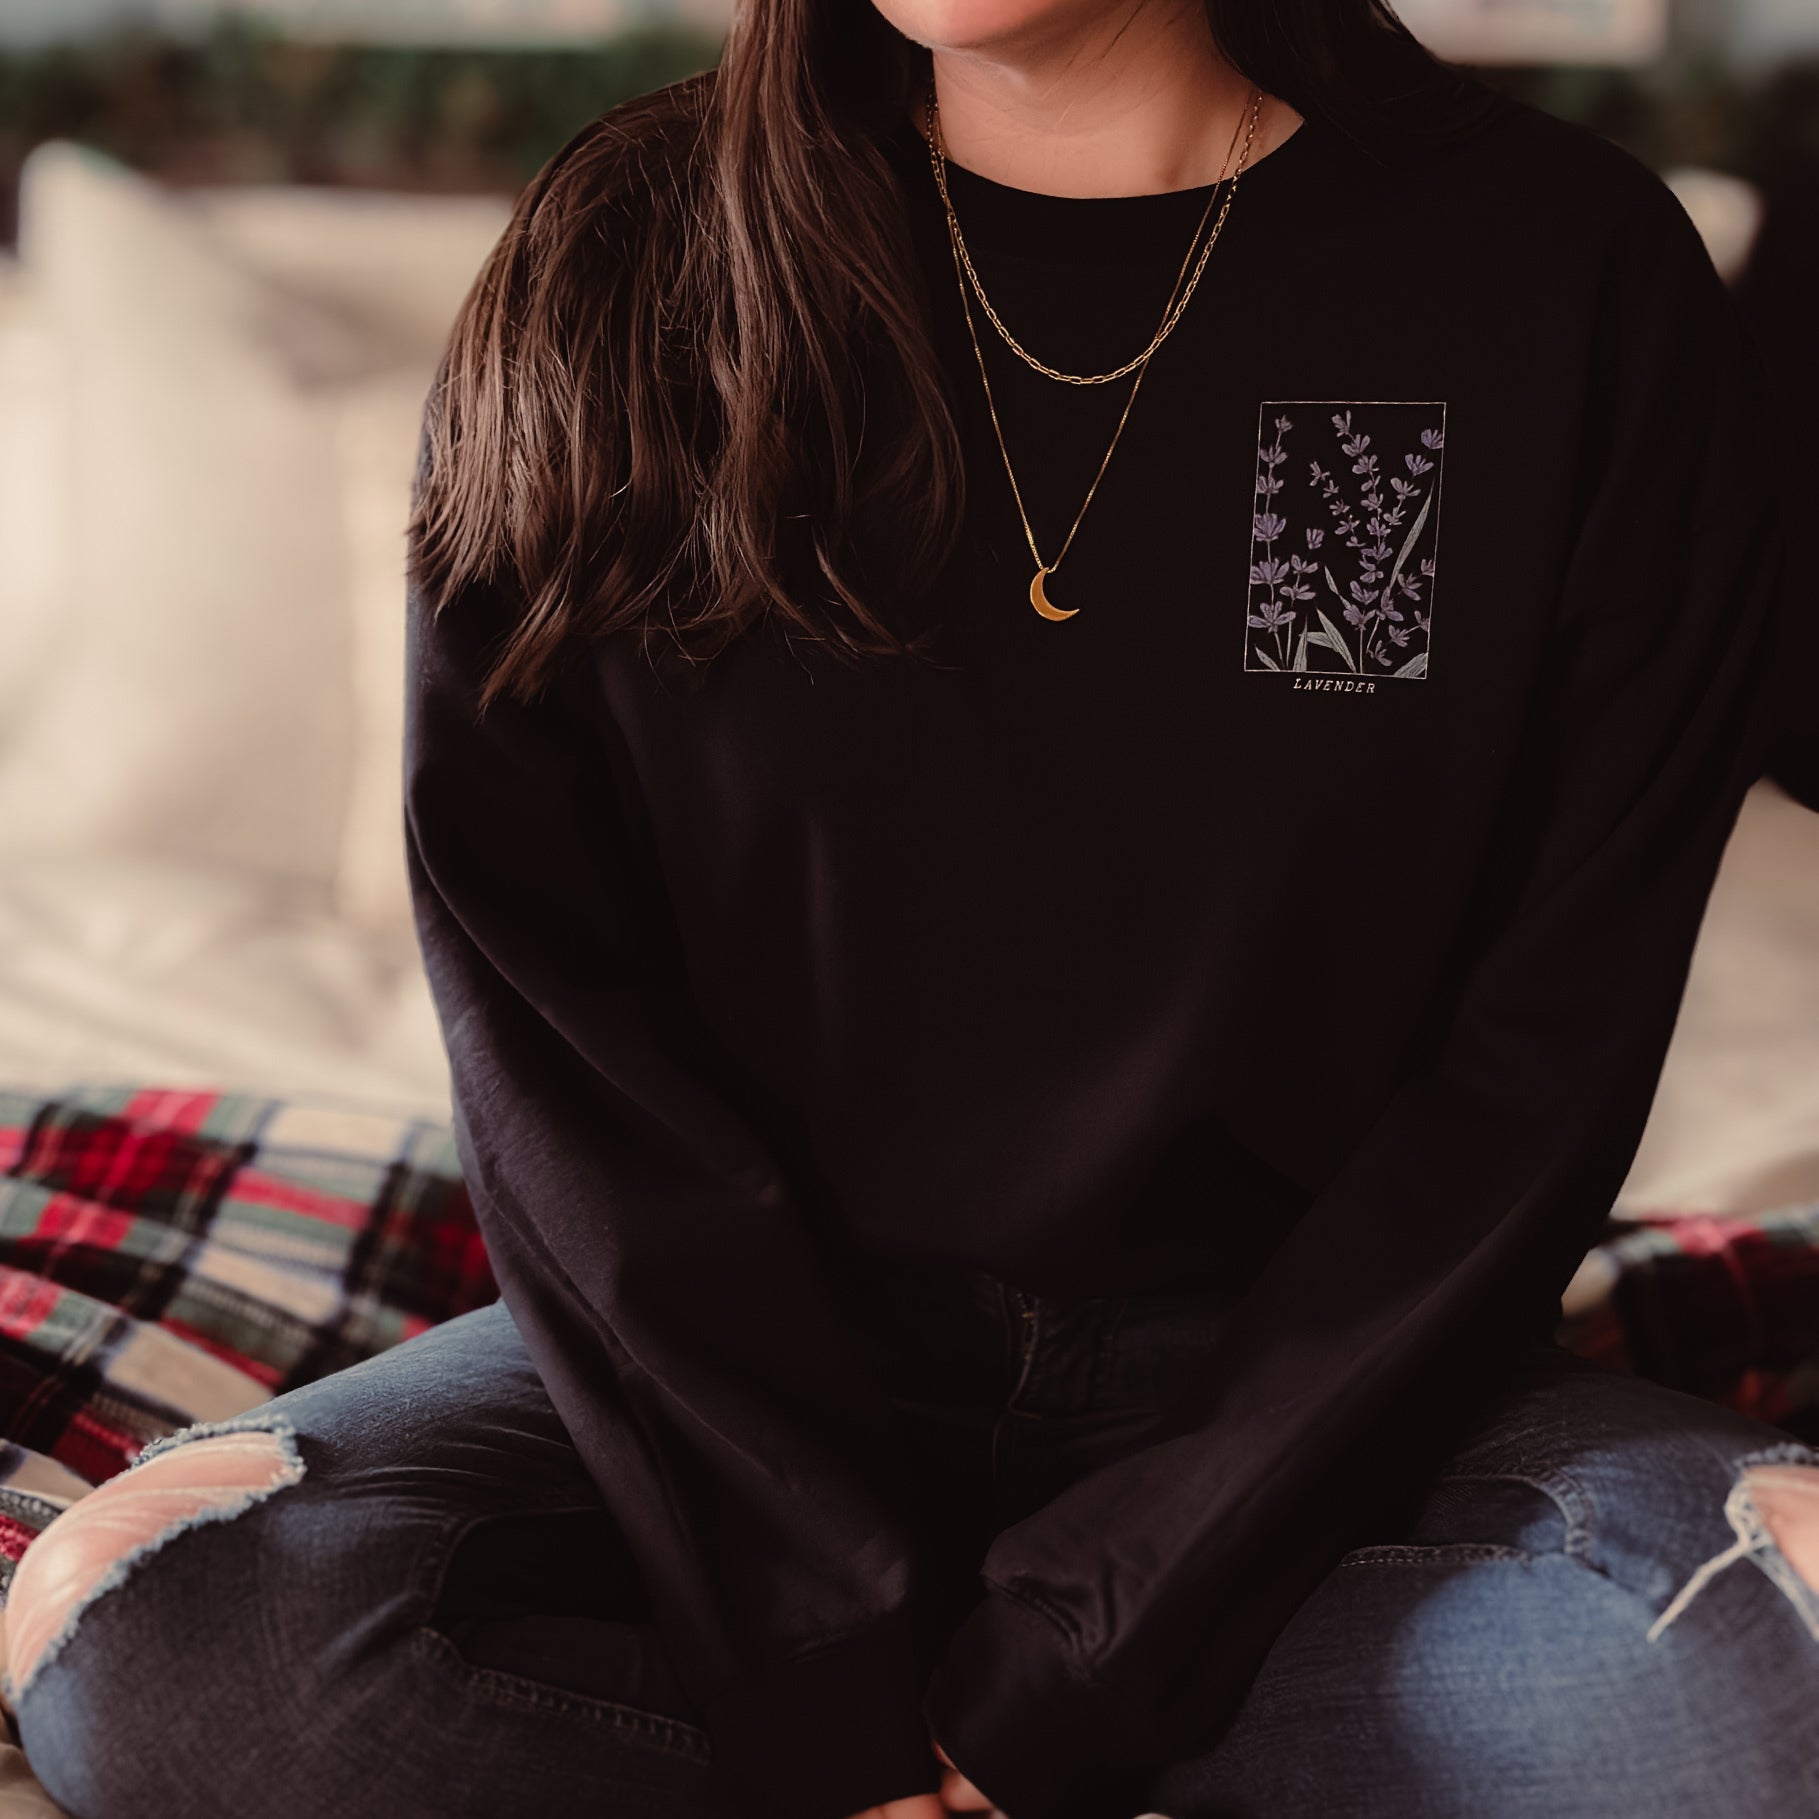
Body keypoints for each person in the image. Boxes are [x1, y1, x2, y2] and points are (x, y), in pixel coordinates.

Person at [6, 4, 1816, 1817]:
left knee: (1772, 1673)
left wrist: (1089, 1653)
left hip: (1317, 1412)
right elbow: (550, 1011)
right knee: (151, 1637)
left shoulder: (1558, 267)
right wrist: (824, 1665)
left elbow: (1542, 1047)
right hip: (746, 1384)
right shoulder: (625, 254)